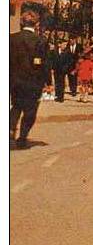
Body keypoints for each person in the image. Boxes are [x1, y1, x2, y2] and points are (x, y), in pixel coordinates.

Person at [10, 10, 50, 149]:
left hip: (14, 81)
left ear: (21, 22)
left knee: (16, 106)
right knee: (30, 111)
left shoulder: (11, 38)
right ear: (37, 24)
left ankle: (10, 130)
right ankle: (22, 137)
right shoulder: (41, 41)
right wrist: (48, 83)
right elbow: (45, 63)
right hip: (33, 82)